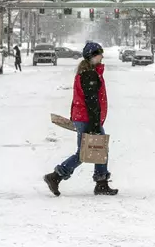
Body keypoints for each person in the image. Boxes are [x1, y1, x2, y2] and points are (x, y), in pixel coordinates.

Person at [43, 42, 118, 196]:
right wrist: (94, 125)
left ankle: (100, 182)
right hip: (88, 119)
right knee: (88, 151)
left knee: (94, 149)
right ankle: (56, 176)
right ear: (92, 56)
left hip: (84, 118)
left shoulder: (86, 72)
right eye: (99, 54)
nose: (102, 57)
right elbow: (91, 102)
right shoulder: (89, 75)